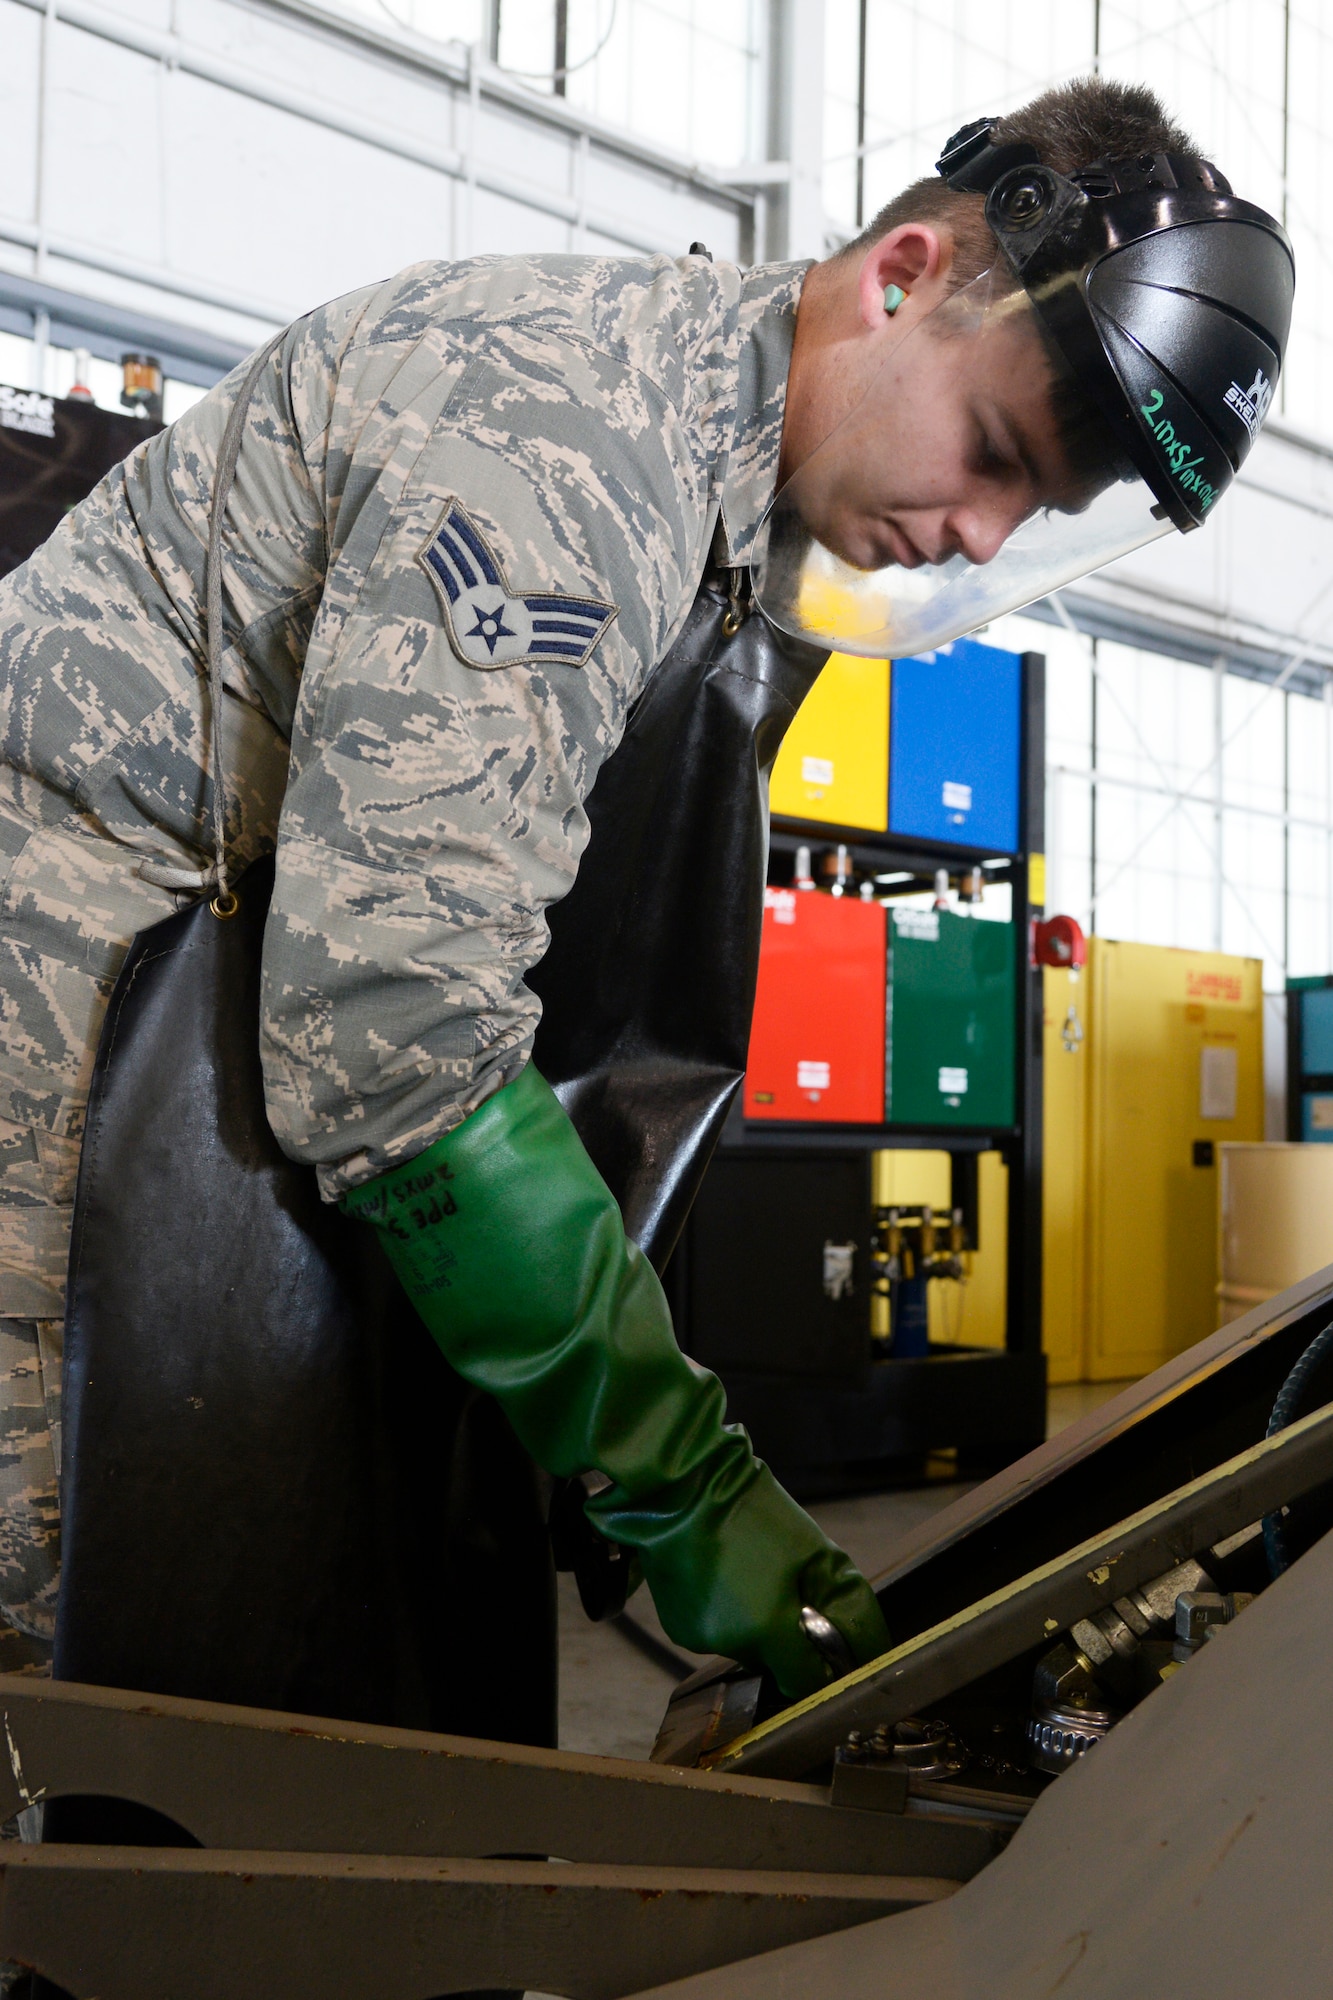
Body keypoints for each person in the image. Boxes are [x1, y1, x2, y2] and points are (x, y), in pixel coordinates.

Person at [0, 76, 1290, 1702]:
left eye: (1031, 513)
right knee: (41, 1627)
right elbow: (390, 1026)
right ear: (900, 277)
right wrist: (689, 1492)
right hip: (55, 962)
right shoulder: (573, 444)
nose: (972, 531)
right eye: (992, 451)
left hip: (182, 991)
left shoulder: (718, 495)